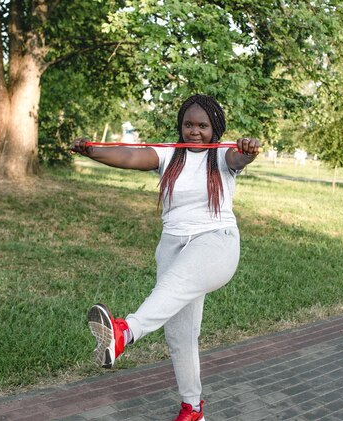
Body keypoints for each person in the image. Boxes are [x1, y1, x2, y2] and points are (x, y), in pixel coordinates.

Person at [71, 94, 261, 421]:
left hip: (215, 243)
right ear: (181, 126)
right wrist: (92, 150)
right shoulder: (169, 155)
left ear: (215, 128)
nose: (195, 131)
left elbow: (239, 160)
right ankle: (193, 408)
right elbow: (130, 156)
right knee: (179, 336)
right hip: (172, 244)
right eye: (189, 124)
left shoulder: (223, 156)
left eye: (203, 126)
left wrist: (247, 150)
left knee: (172, 287)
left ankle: (123, 333)